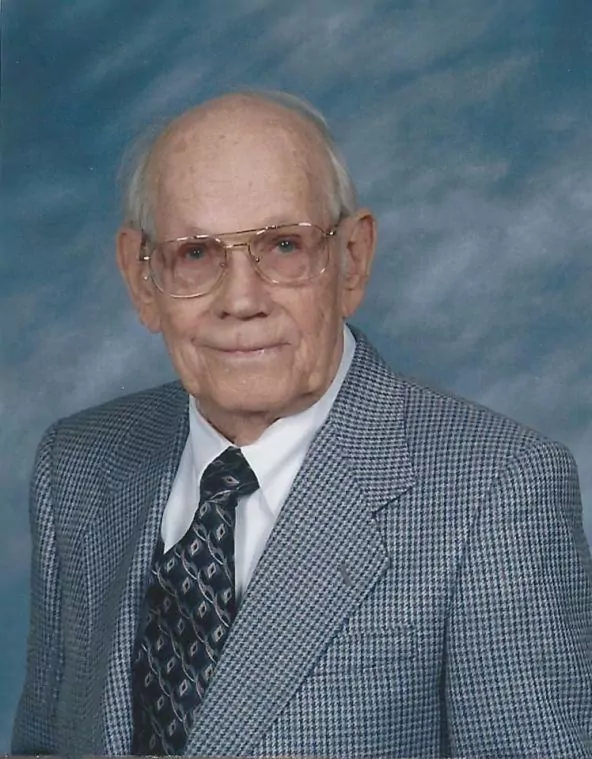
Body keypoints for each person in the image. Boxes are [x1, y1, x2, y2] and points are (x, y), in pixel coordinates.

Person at [12, 90, 592, 759]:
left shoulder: (497, 494)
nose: (241, 300)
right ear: (142, 279)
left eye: (284, 245)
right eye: (195, 254)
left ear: (353, 260)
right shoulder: (77, 466)